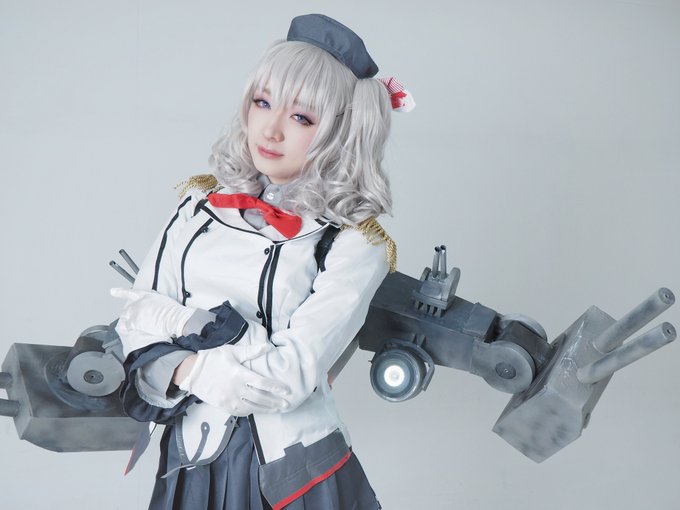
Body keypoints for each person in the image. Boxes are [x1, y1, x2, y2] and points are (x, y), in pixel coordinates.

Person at [111, 13, 410, 510]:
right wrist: (199, 368)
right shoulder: (197, 205)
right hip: (190, 458)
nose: (270, 130)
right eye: (263, 102)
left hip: (293, 476)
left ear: (341, 132)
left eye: (302, 118)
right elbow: (132, 324)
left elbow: (284, 380)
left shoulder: (356, 243)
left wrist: (179, 335)